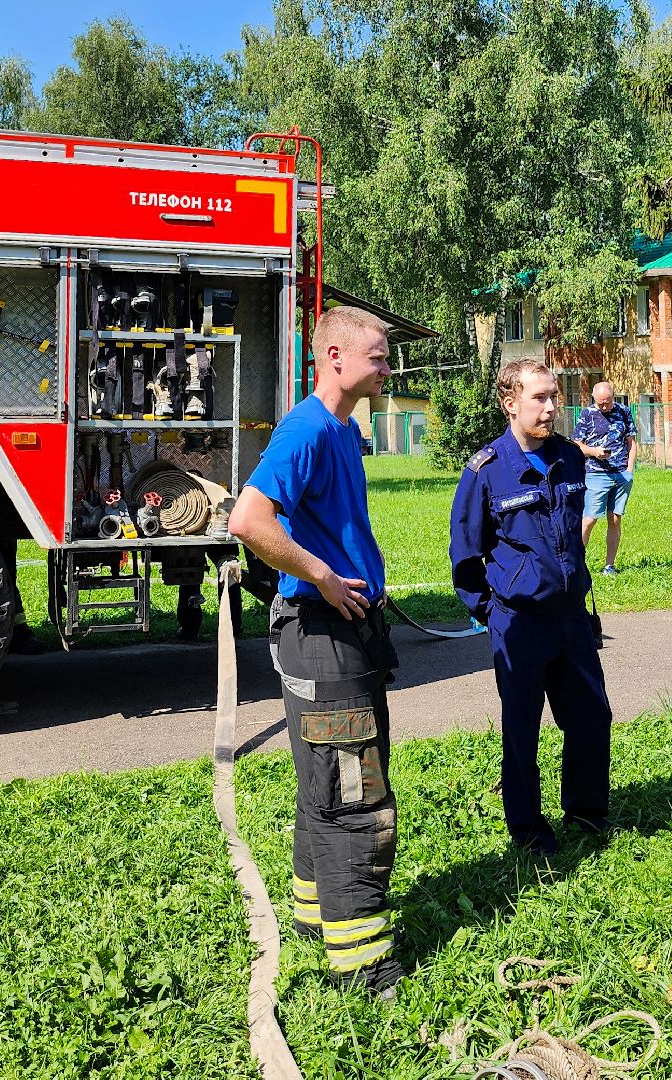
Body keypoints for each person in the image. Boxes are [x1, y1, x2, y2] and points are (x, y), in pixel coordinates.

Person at [228, 306, 404, 998]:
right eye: (378, 357)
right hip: (320, 632)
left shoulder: (343, 429)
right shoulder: (306, 428)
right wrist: (323, 576)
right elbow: (249, 519)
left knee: (324, 783)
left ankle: (314, 915)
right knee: (351, 792)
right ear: (334, 356)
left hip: (347, 632)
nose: (388, 367)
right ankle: (363, 965)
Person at [450, 358, 612, 857]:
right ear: (510, 403)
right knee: (522, 729)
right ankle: (528, 829)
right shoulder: (485, 470)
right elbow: (465, 554)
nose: (551, 407)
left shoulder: (570, 457)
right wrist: (493, 612)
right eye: (539, 398)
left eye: (554, 396)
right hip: (519, 622)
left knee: (591, 717)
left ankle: (587, 811)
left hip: (571, 617)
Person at [572, 380, 637, 575]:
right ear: (594, 399)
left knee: (615, 519)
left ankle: (609, 565)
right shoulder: (587, 414)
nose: (605, 406)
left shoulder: (624, 411)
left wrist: (630, 470)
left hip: (621, 474)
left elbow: (631, 442)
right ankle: (576, 564)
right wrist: (594, 452)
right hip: (596, 473)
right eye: (601, 403)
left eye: (608, 402)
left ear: (613, 397)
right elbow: (576, 445)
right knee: (589, 519)